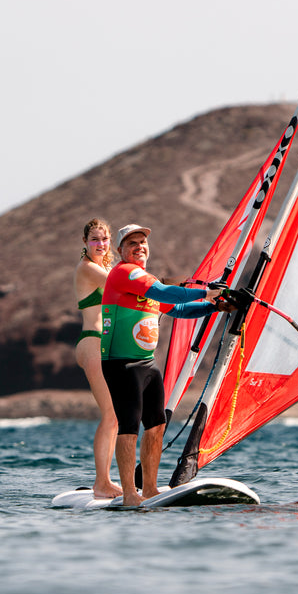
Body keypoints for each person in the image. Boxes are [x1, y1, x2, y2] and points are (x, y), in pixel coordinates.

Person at [101, 223, 228, 507]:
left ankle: (148, 488)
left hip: (146, 365)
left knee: (156, 425)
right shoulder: (125, 273)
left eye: (143, 243)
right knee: (129, 427)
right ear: (121, 251)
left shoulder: (146, 281)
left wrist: (214, 307)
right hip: (121, 364)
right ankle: (129, 494)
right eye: (132, 243)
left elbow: (178, 309)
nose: (139, 247)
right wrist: (208, 292)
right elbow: (168, 293)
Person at [74, 217, 122, 499]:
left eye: (104, 239)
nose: (100, 244)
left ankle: (106, 479)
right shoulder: (89, 268)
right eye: (94, 239)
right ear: (85, 243)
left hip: (105, 345)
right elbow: (126, 284)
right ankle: (101, 482)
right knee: (110, 414)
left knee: (115, 417)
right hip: (91, 343)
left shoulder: (107, 267)